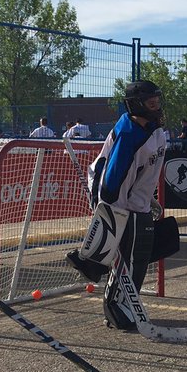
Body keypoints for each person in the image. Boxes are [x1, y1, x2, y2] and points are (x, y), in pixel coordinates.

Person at [65, 81, 168, 331]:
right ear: (136, 105)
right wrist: (115, 217)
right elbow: (112, 183)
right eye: (150, 103)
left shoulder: (153, 129)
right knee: (128, 259)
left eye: (157, 102)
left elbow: (144, 170)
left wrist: (148, 197)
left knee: (139, 259)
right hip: (120, 204)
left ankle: (123, 302)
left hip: (136, 203)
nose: (156, 107)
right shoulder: (130, 134)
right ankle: (116, 308)